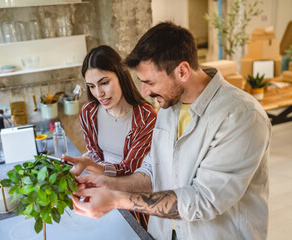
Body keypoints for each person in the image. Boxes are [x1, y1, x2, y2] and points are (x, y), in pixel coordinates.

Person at [71, 22, 271, 240]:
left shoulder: (241, 115)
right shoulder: (168, 107)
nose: (145, 91)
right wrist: (108, 183)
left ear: (182, 71)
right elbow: (152, 171)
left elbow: (203, 200)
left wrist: (116, 200)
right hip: (164, 233)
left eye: (150, 82)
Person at [62, 45, 157, 228]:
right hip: (100, 192)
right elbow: (94, 152)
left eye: (104, 82)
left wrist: (89, 165)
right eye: (92, 86)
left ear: (121, 75)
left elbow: (130, 171)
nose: (99, 94)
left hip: (131, 199)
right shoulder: (89, 112)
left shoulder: (146, 118)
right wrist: (85, 160)